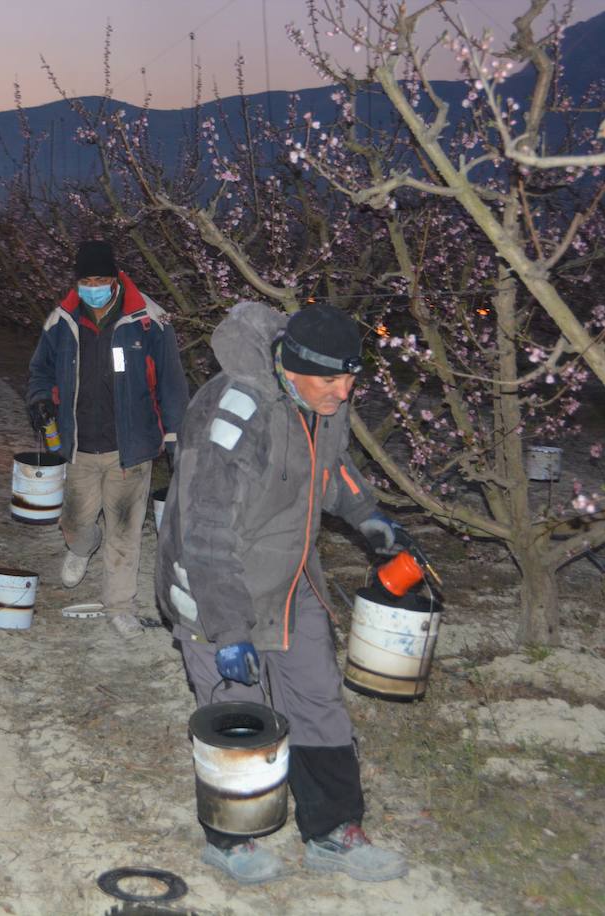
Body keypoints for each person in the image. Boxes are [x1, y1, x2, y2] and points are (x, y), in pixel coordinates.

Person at [156, 300, 415, 885]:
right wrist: (227, 629)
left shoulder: (322, 404)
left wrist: (373, 520)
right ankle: (231, 839)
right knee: (235, 715)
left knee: (318, 699)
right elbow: (204, 530)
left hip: (291, 578)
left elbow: (334, 468)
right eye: (331, 378)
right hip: (216, 584)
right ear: (291, 367)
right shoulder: (234, 410)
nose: (344, 392)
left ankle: (332, 831)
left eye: (352, 377)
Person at [26, 240, 189, 636]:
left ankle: (120, 606)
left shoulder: (148, 320)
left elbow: (170, 383)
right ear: (78, 281)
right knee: (76, 519)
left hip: (129, 449)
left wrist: (175, 437)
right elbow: (39, 371)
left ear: (115, 280)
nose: (93, 287)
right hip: (77, 444)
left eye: (100, 279)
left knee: (124, 531)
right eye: (86, 280)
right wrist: (40, 399)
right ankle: (81, 546)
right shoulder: (62, 321)